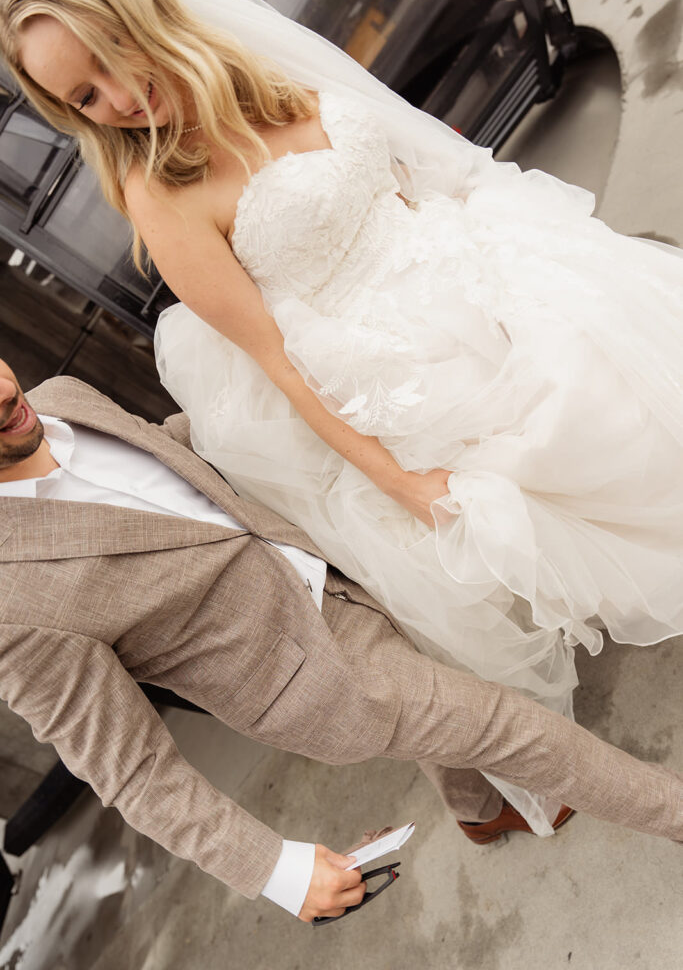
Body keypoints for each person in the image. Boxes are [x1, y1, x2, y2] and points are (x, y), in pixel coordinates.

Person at [0, 0, 682, 834]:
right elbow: (280, 360)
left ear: (144, 16)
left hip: (455, 260)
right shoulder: (160, 198)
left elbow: (398, 158)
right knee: (564, 459)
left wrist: (484, 240)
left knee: (625, 362)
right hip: (377, 361)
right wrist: (403, 484)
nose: (120, 102)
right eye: (84, 99)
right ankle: (486, 799)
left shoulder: (257, 58)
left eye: (110, 59)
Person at [1, 355, 682, 925]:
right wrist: (273, 868)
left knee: (440, 681)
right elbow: (132, 771)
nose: (5, 394)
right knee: (514, 729)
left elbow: (168, 459)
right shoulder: (13, 607)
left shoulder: (62, 396)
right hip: (318, 676)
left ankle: (476, 809)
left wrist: (246, 404)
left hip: (334, 553)